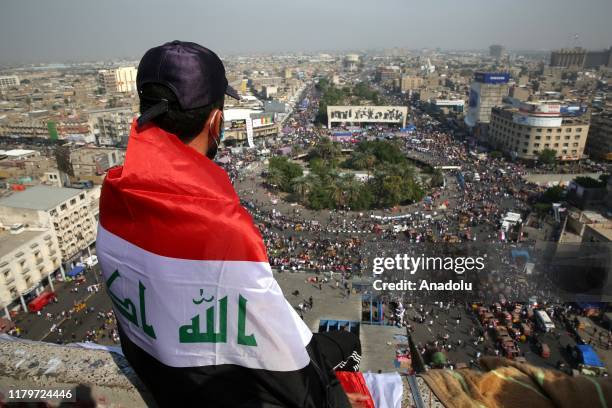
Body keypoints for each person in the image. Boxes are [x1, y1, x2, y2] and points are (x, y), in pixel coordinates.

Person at [96, 41, 364, 408]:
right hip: (212, 387)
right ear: (215, 121)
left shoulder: (116, 194)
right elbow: (293, 376)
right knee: (347, 345)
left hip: (157, 368)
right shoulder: (221, 226)